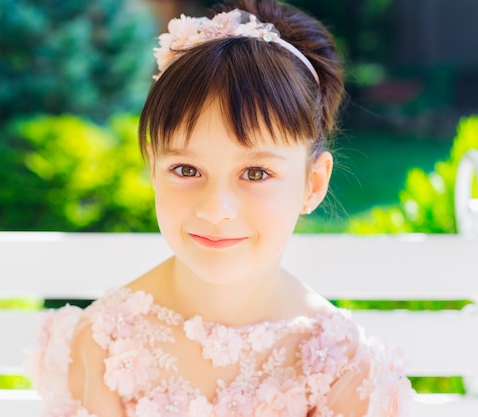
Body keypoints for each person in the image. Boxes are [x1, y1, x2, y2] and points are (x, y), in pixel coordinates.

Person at [26, 0, 414, 416]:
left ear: (312, 183)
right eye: (186, 168)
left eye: (256, 174)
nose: (216, 209)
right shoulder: (103, 343)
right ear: (153, 168)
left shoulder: (344, 369)